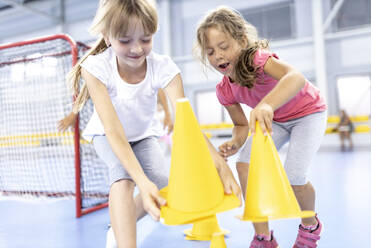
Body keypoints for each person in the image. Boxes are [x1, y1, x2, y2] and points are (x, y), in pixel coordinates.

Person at [67, 1, 241, 248]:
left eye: (145, 39)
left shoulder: (164, 67)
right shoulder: (95, 68)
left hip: (143, 135)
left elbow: (186, 122)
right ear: (107, 37)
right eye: (125, 41)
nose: (137, 49)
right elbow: (114, 130)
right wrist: (140, 180)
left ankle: (118, 225)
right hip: (107, 135)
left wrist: (220, 165)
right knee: (123, 178)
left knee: (163, 185)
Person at [195, 6, 327, 248]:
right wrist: (236, 141)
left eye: (224, 47)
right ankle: (263, 237)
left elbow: (295, 78)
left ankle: (310, 228)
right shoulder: (224, 90)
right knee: (243, 164)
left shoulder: (259, 59)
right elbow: (240, 125)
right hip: (276, 119)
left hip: (308, 114)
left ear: (242, 41)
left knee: (294, 177)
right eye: (210, 52)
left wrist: (266, 105)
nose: (217, 56)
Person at [57, 89, 173, 133]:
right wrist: (73, 113)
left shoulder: (142, 60)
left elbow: (158, 87)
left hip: (137, 129)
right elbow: (88, 88)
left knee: (155, 175)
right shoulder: (103, 62)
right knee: (122, 174)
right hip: (107, 129)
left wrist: (168, 114)